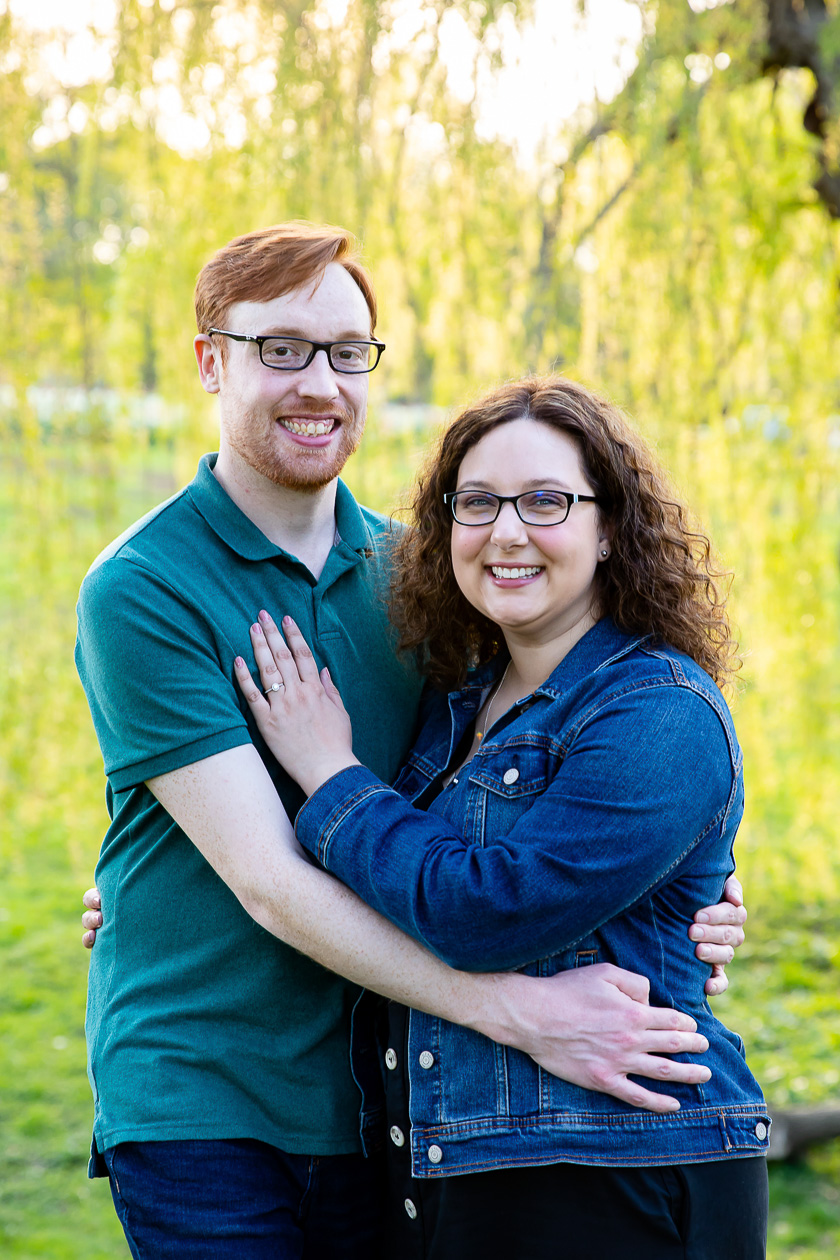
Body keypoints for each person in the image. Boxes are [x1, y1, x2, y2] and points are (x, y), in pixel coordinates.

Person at [76, 223, 747, 1259]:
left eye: (349, 351)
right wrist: (519, 1013)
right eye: (283, 349)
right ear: (212, 360)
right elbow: (264, 880)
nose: (321, 382)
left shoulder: (428, 580)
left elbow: (517, 783)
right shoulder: (145, 586)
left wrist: (686, 886)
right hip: (206, 1094)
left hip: (391, 1099)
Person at [229, 374, 769, 1258]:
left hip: (618, 1161)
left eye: (546, 501)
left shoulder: (661, 710)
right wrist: (148, 895)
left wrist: (332, 774)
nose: (506, 531)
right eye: (477, 502)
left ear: (609, 530)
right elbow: (370, 880)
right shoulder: (455, 700)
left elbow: (490, 910)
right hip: (455, 1170)